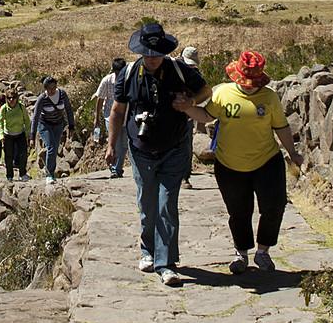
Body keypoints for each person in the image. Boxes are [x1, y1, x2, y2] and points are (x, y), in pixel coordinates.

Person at [109, 21, 207, 286]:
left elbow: (205, 90)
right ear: (140, 51)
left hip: (173, 147)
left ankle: (166, 263)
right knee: (147, 202)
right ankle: (147, 250)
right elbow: (117, 112)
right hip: (140, 150)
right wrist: (111, 146)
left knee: (166, 204)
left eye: (156, 54)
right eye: (148, 54)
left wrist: (190, 103)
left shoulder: (178, 70)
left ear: (164, 51)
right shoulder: (128, 74)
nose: (152, 59)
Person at [205, 50, 302, 272]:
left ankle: (263, 251)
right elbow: (207, 116)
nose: (249, 86)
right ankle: (241, 253)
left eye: (253, 82)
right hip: (229, 164)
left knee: (274, 206)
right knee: (239, 211)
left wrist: (293, 153)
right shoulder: (223, 94)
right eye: (245, 81)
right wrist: (187, 108)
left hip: (266, 161)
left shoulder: (269, 97)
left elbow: (281, 127)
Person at [93, 57, 129, 177]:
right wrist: (96, 118)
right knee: (116, 142)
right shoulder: (107, 81)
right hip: (110, 116)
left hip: (126, 115)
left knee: (124, 144)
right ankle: (115, 168)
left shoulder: (129, 80)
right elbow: (100, 99)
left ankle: (118, 168)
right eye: (117, 72)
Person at [32, 76, 71, 182]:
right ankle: (49, 174)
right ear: (45, 88)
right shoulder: (42, 98)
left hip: (58, 124)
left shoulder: (62, 94)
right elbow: (35, 117)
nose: (52, 90)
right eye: (49, 88)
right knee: (51, 147)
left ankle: (51, 171)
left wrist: (71, 125)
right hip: (44, 124)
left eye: (54, 87)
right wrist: (32, 135)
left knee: (55, 147)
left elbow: (68, 109)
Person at [179, 45, 203, 189]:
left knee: (186, 146)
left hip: (187, 115)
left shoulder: (196, 74)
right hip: (169, 114)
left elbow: (201, 93)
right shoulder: (171, 70)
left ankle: (184, 177)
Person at [0, 84, 31, 180]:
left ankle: (23, 174)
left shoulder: (21, 107)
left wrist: (28, 134)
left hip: (20, 133)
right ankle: (9, 175)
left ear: (17, 98)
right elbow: (0, 122)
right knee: (8, 156)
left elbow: (27, 121)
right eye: (9, 98)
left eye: (13, 98)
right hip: (8, 135)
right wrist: (1, 135)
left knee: (23, 154)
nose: (11, 100)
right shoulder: (3, 108)